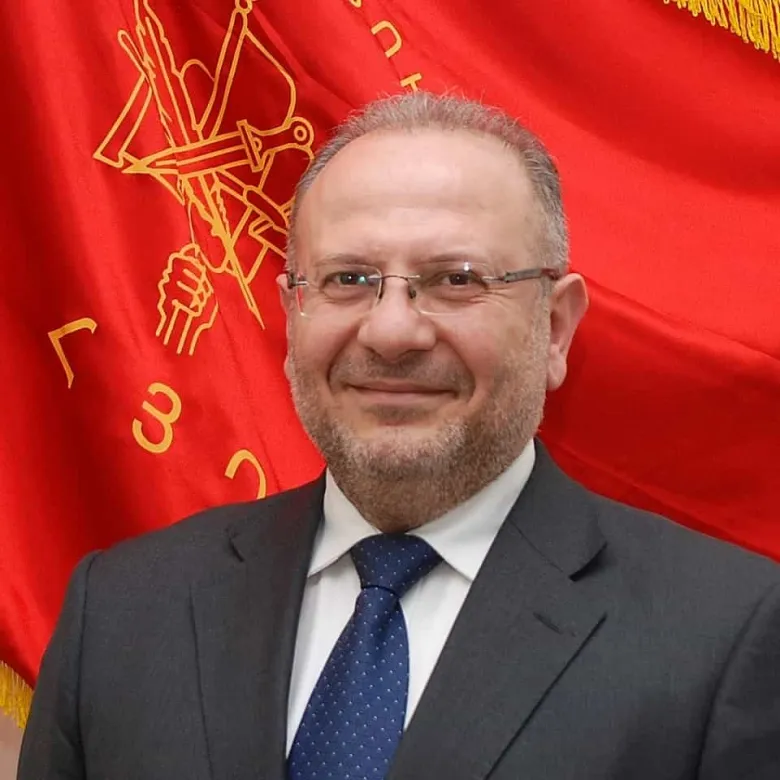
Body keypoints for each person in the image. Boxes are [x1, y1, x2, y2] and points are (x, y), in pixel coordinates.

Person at [18, 92, 780, 780]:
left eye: (456, 279)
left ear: (554, 328)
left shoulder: (728, 636)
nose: (391, 332)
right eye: (348, 279)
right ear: (290, 316)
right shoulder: (119, 611)